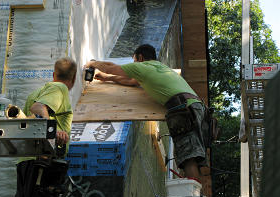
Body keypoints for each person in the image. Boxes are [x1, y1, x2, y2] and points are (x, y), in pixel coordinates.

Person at [85, 44, 208, 183]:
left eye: (134, 61)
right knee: (195, 158)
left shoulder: (142, 67)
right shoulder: (161, 68)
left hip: (184, 109)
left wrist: (91, 63)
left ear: (140, 57)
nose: (134, 65)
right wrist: (107, 78)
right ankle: (197, 195)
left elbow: (111, 67)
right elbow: (132, 81)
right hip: (198, 108)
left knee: (188, 157)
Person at [14, 57, 76, 197]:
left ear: (53, 74)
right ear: (73, 80)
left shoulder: (38, 91)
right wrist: (54, 129)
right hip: (41, 161)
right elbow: (38, 107)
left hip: (28, 161)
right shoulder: (60, 88)